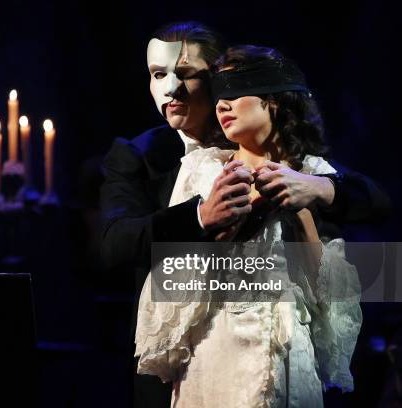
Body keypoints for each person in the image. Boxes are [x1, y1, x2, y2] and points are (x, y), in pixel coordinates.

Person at [99, 22, 392, 408]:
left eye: (188, 75)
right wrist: (202, 217)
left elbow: (370, 201)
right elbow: (116, 244)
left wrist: (317, 189)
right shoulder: (146, 155)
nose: (171, 89)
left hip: (282, 341)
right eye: (158, 75)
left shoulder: (280, 153)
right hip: (197, 351)